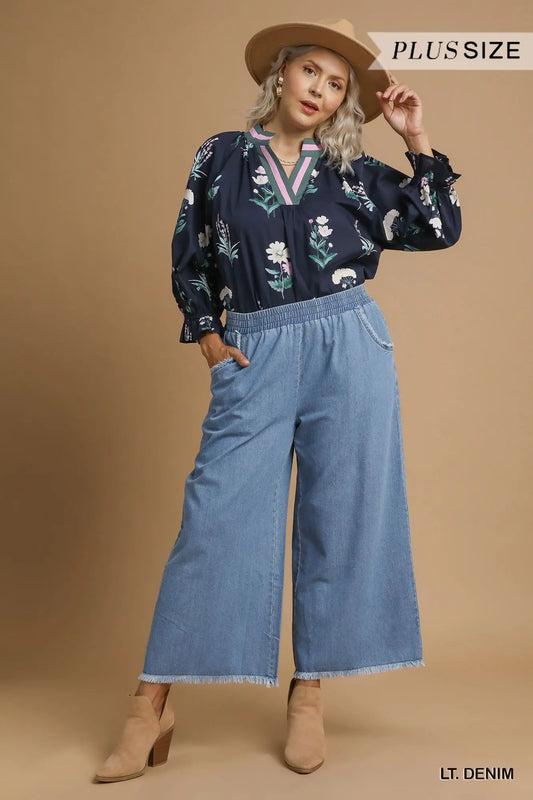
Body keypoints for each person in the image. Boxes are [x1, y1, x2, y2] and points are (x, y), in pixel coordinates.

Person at [94, 17, 462, 782]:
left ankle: (309, 694)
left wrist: (416, 139)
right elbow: (190, 250)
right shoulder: (221, 156)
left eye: (336, 85)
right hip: (255, 347)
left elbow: (435, 227)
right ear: (281, 74)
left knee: (338, 515)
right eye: (310, 72)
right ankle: (149, 706)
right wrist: (206, 333)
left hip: (346, 345)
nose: (319, 91)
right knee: (213, 521)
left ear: (343, 103)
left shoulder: (352, 172)